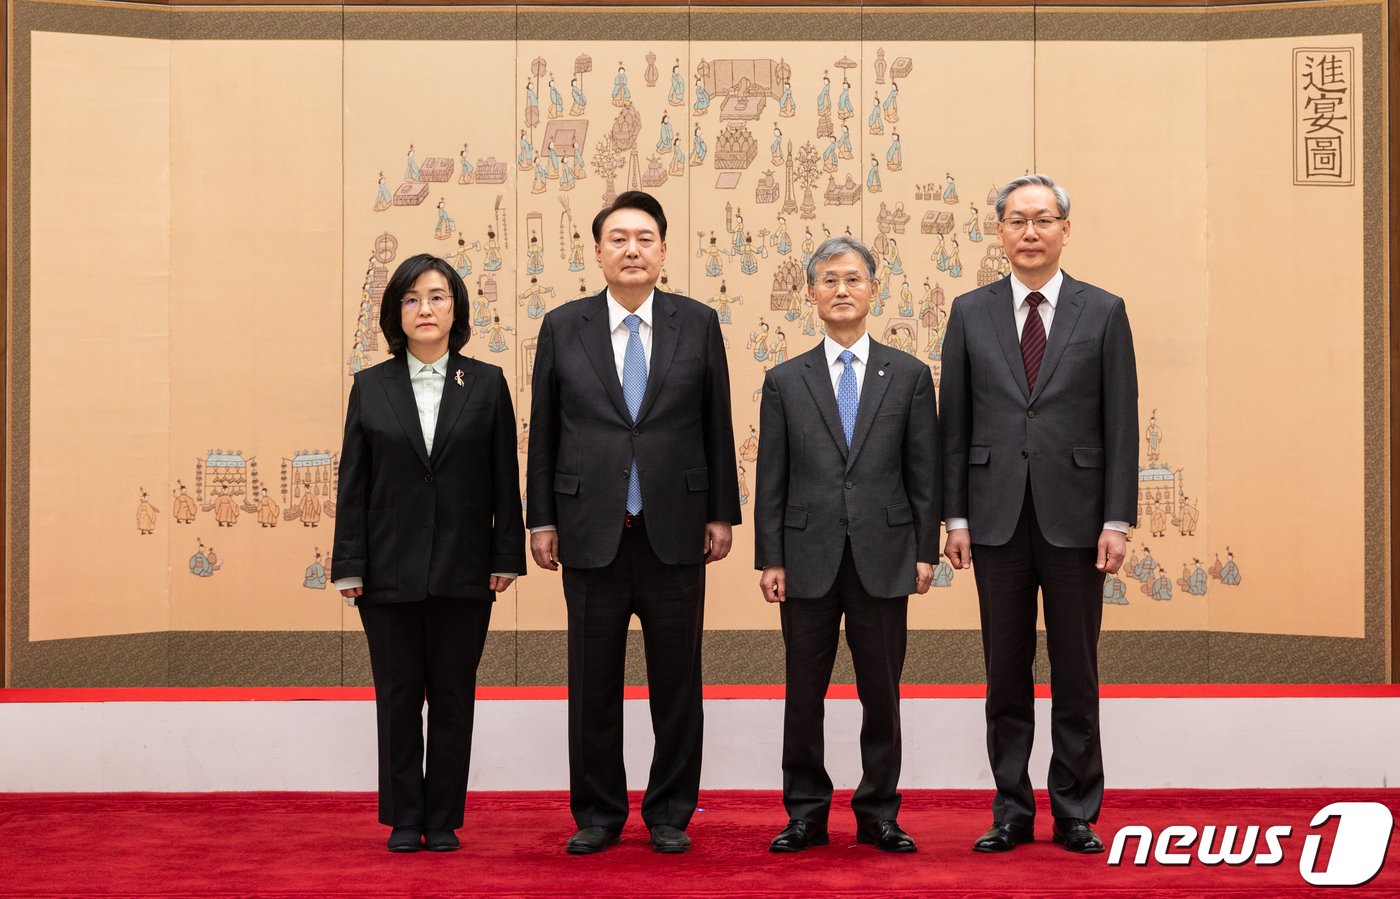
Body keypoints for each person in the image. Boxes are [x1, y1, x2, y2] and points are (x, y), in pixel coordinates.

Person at [527, 191, 740, 856]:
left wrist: (722, 512)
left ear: (664, 250)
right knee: (592, 683)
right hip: (589, 528)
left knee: (678, 682)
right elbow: (543, 433)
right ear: (597, 252)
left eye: (644, 238)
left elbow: (716, 422)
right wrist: (542, 520)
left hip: (675, 528)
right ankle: (597, 811)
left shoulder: (698, 324)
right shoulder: (564, 327)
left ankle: (671, 810)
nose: (631, 249)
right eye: (617, 238)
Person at [940, 174, 1138, 855]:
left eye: (1043, 219)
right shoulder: (969, 312)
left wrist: (1118, 518)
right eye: (1017, 220)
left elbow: (1121, 424)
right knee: (1005, 667)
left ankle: (1076, 808)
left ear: (1065, 229)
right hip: (994, 516)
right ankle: (1011, 808)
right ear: (999, 231)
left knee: (1077, 667)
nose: (1030, 232)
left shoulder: (1103, 310)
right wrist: (955, 517)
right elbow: (954, 423)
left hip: (1080, 520)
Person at [332, 253, 525, 854]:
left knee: (451, 696)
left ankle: (442, 816)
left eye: (437, 297)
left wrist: (505, 556)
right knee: (396, 697)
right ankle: (403, 818)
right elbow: (354, 484)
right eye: (412, 299)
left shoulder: (487, 384)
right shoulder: (371, 386)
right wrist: (349, 565)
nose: (425, 309)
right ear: (396, 311)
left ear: (456, 309)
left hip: (465, 570)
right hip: (386, 571)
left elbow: (503, 479)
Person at [755, 236, 939, 855]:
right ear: (810, 294)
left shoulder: (910, 375)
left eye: (853, 279)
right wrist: (771, 556)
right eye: (828, 280)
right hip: (805, 558)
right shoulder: (784, 380)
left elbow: (923, 472)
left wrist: (924, 551)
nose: (841, 290)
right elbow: (771, 477)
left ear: (873, 290)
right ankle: (805, 812)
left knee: (880, 693)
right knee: (803, 694)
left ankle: (878, 812)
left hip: (885, 556)